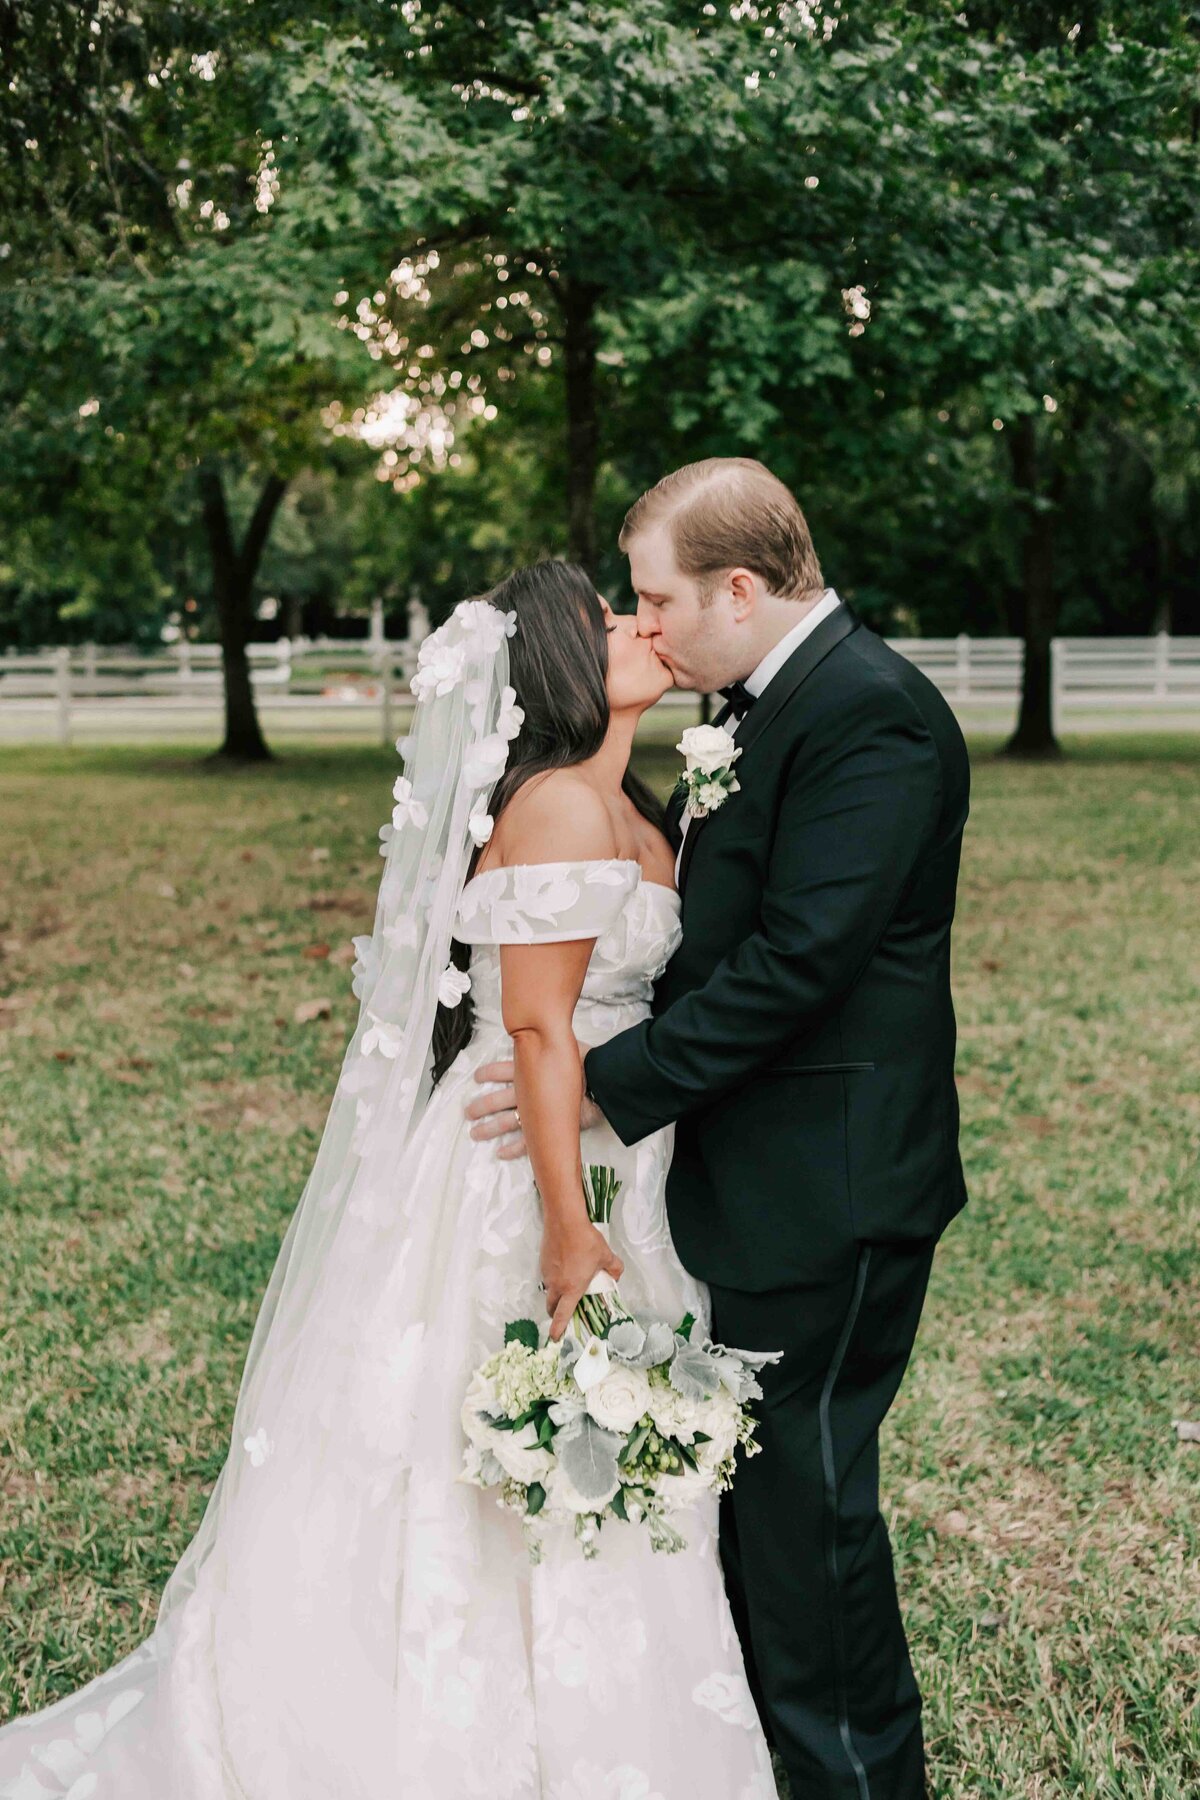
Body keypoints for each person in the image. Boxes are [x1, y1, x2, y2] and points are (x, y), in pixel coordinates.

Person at [0, 560, 779, 1799]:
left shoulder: (631, 802)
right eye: (610, 616)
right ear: (563, 666)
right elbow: (534, 1030)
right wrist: (569, 1232)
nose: (641, 622)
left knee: (599, 1431)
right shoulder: (563, 810)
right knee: (482, 1436)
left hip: (618, 1158)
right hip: (527, 1177)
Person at [467, 458, 972, 1799]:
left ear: (737, 590)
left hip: (833, 1183)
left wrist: (601, 1087)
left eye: (654, 597)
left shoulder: (872, 719)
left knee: (805, 1510)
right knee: (752, 1500)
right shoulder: (766, 706)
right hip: (742, 1177)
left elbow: (800, 965)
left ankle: (856, 1781)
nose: (643, 624)